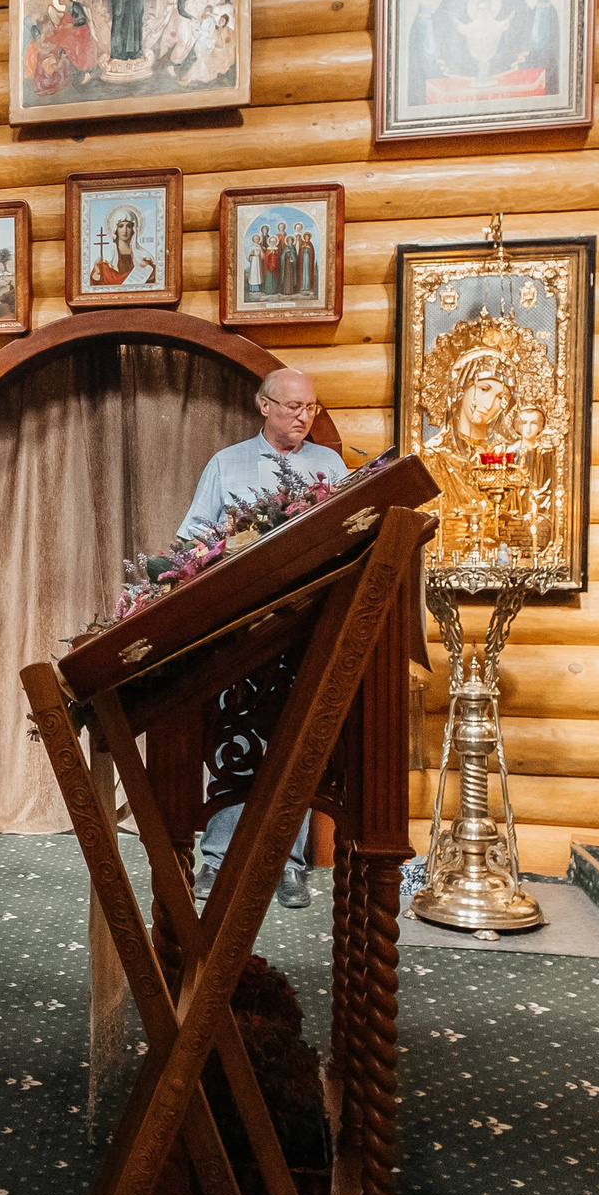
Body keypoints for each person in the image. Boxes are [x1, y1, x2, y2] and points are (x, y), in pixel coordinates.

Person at [178, 368, 352, 911]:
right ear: (263, 406)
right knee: (235, 741)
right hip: (240, 628)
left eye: (311, 408)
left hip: (306, 628)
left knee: (294, 742)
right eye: (292, 406)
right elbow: (193, 538)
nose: (303, 417)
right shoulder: (227, 464)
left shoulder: (329, 466)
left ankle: (289, 864)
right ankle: (218, 857)